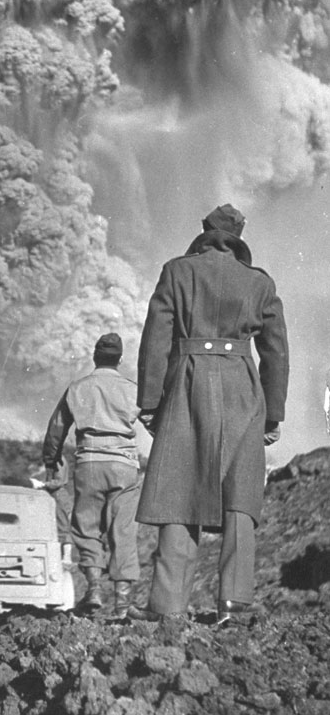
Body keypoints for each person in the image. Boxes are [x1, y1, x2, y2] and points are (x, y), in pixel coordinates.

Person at [131, 204, 288, 625]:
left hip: (186, 384)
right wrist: (273, 414)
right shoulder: (259, 283)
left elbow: (156, 339)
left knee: (179, 491)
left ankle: (167, 606)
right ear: (239, 235)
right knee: (240, 496)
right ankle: (234, 604)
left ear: (204, 231)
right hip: (242, 387)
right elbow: (275, 352)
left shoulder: (176, 271)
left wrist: (150, 401)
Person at [43, 332, 141, 619]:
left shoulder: (78, 388)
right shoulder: (133, 389)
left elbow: (56, 429)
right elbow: (155, 422)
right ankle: (123, 603)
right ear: (120, 359)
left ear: (94, 357)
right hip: (124, 466)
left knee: (86, 527)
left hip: (89, 464)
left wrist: (52, 460)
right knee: (123, 531)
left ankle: (94, 590)